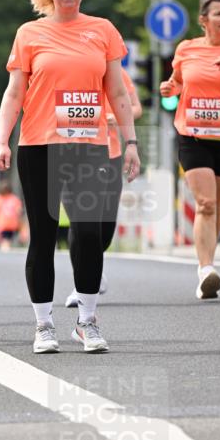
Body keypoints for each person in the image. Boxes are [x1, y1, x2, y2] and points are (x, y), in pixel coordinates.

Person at [0, 0, 140, 354]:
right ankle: (43, 325)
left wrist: (130, 143)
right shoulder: (29, 33)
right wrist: (4, 139)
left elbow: (118, 93)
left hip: (89, 148)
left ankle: (87, 321)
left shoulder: (103, 30)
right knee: (42, 236)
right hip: (40, 145)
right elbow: (14, 92)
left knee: (89, 234)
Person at [160, 0, 220, 298]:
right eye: (218, 13)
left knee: (217, 204)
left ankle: (209, 261)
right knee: (206, 204)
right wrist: (170, 87)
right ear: (203, 20)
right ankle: (205, 269)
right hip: (192, 135)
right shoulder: (187, 48)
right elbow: (178, 81)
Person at [65, 66, 142, 305]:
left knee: (104, 227)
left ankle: (93, 269)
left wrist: (115, 118)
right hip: (70, 153)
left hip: (109, 154)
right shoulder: (63, 68)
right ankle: (82, 285)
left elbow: (136, 107)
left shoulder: (116, 72)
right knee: (79, 222)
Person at [0, 180, 25, 250]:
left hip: (8, 224)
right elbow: (19, 212)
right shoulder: (14, 199)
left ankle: (5, 251)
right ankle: (5, 250)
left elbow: (19, 213)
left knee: (6, 241)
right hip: (4, 225)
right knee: (6, 241)